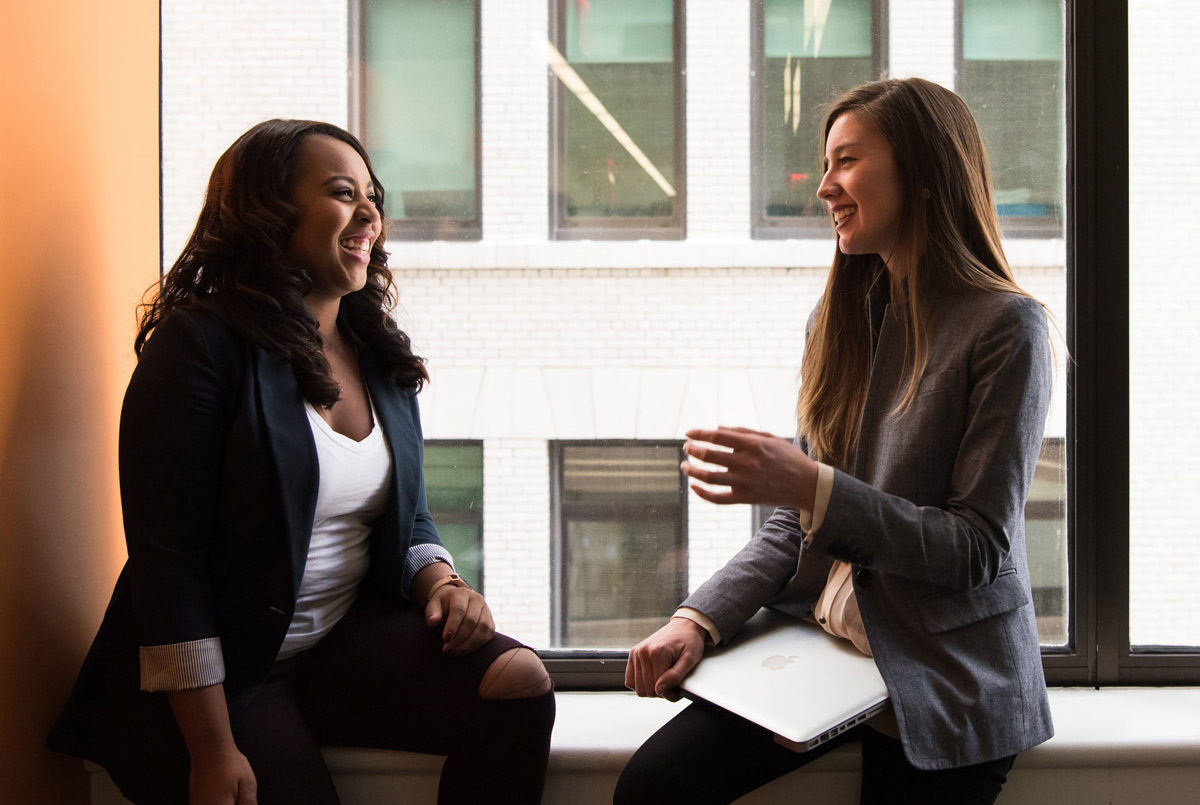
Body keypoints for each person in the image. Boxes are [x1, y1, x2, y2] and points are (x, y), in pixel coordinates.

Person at [47, 119, 555, 805]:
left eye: (374, 195)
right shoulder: (198, 346)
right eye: (344, 193)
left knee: (517, 681)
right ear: (268, 211)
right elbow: (169, 568)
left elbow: (404, 514)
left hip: (338, 643)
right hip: (225, 678)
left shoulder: (376, 350)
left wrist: (441, 583)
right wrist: (211, 749)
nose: (371, 212)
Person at [615, 77, 1055, 804]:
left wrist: (813, 486)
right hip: (830, 652)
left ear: (921, 168)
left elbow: (976, 549)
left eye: (845, 161)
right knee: (652, 786)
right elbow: (795, 523)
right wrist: (698, 618)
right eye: (826, 165)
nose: (823, 187)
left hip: (945, 671)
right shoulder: (842, 316)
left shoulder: (1008, 328)